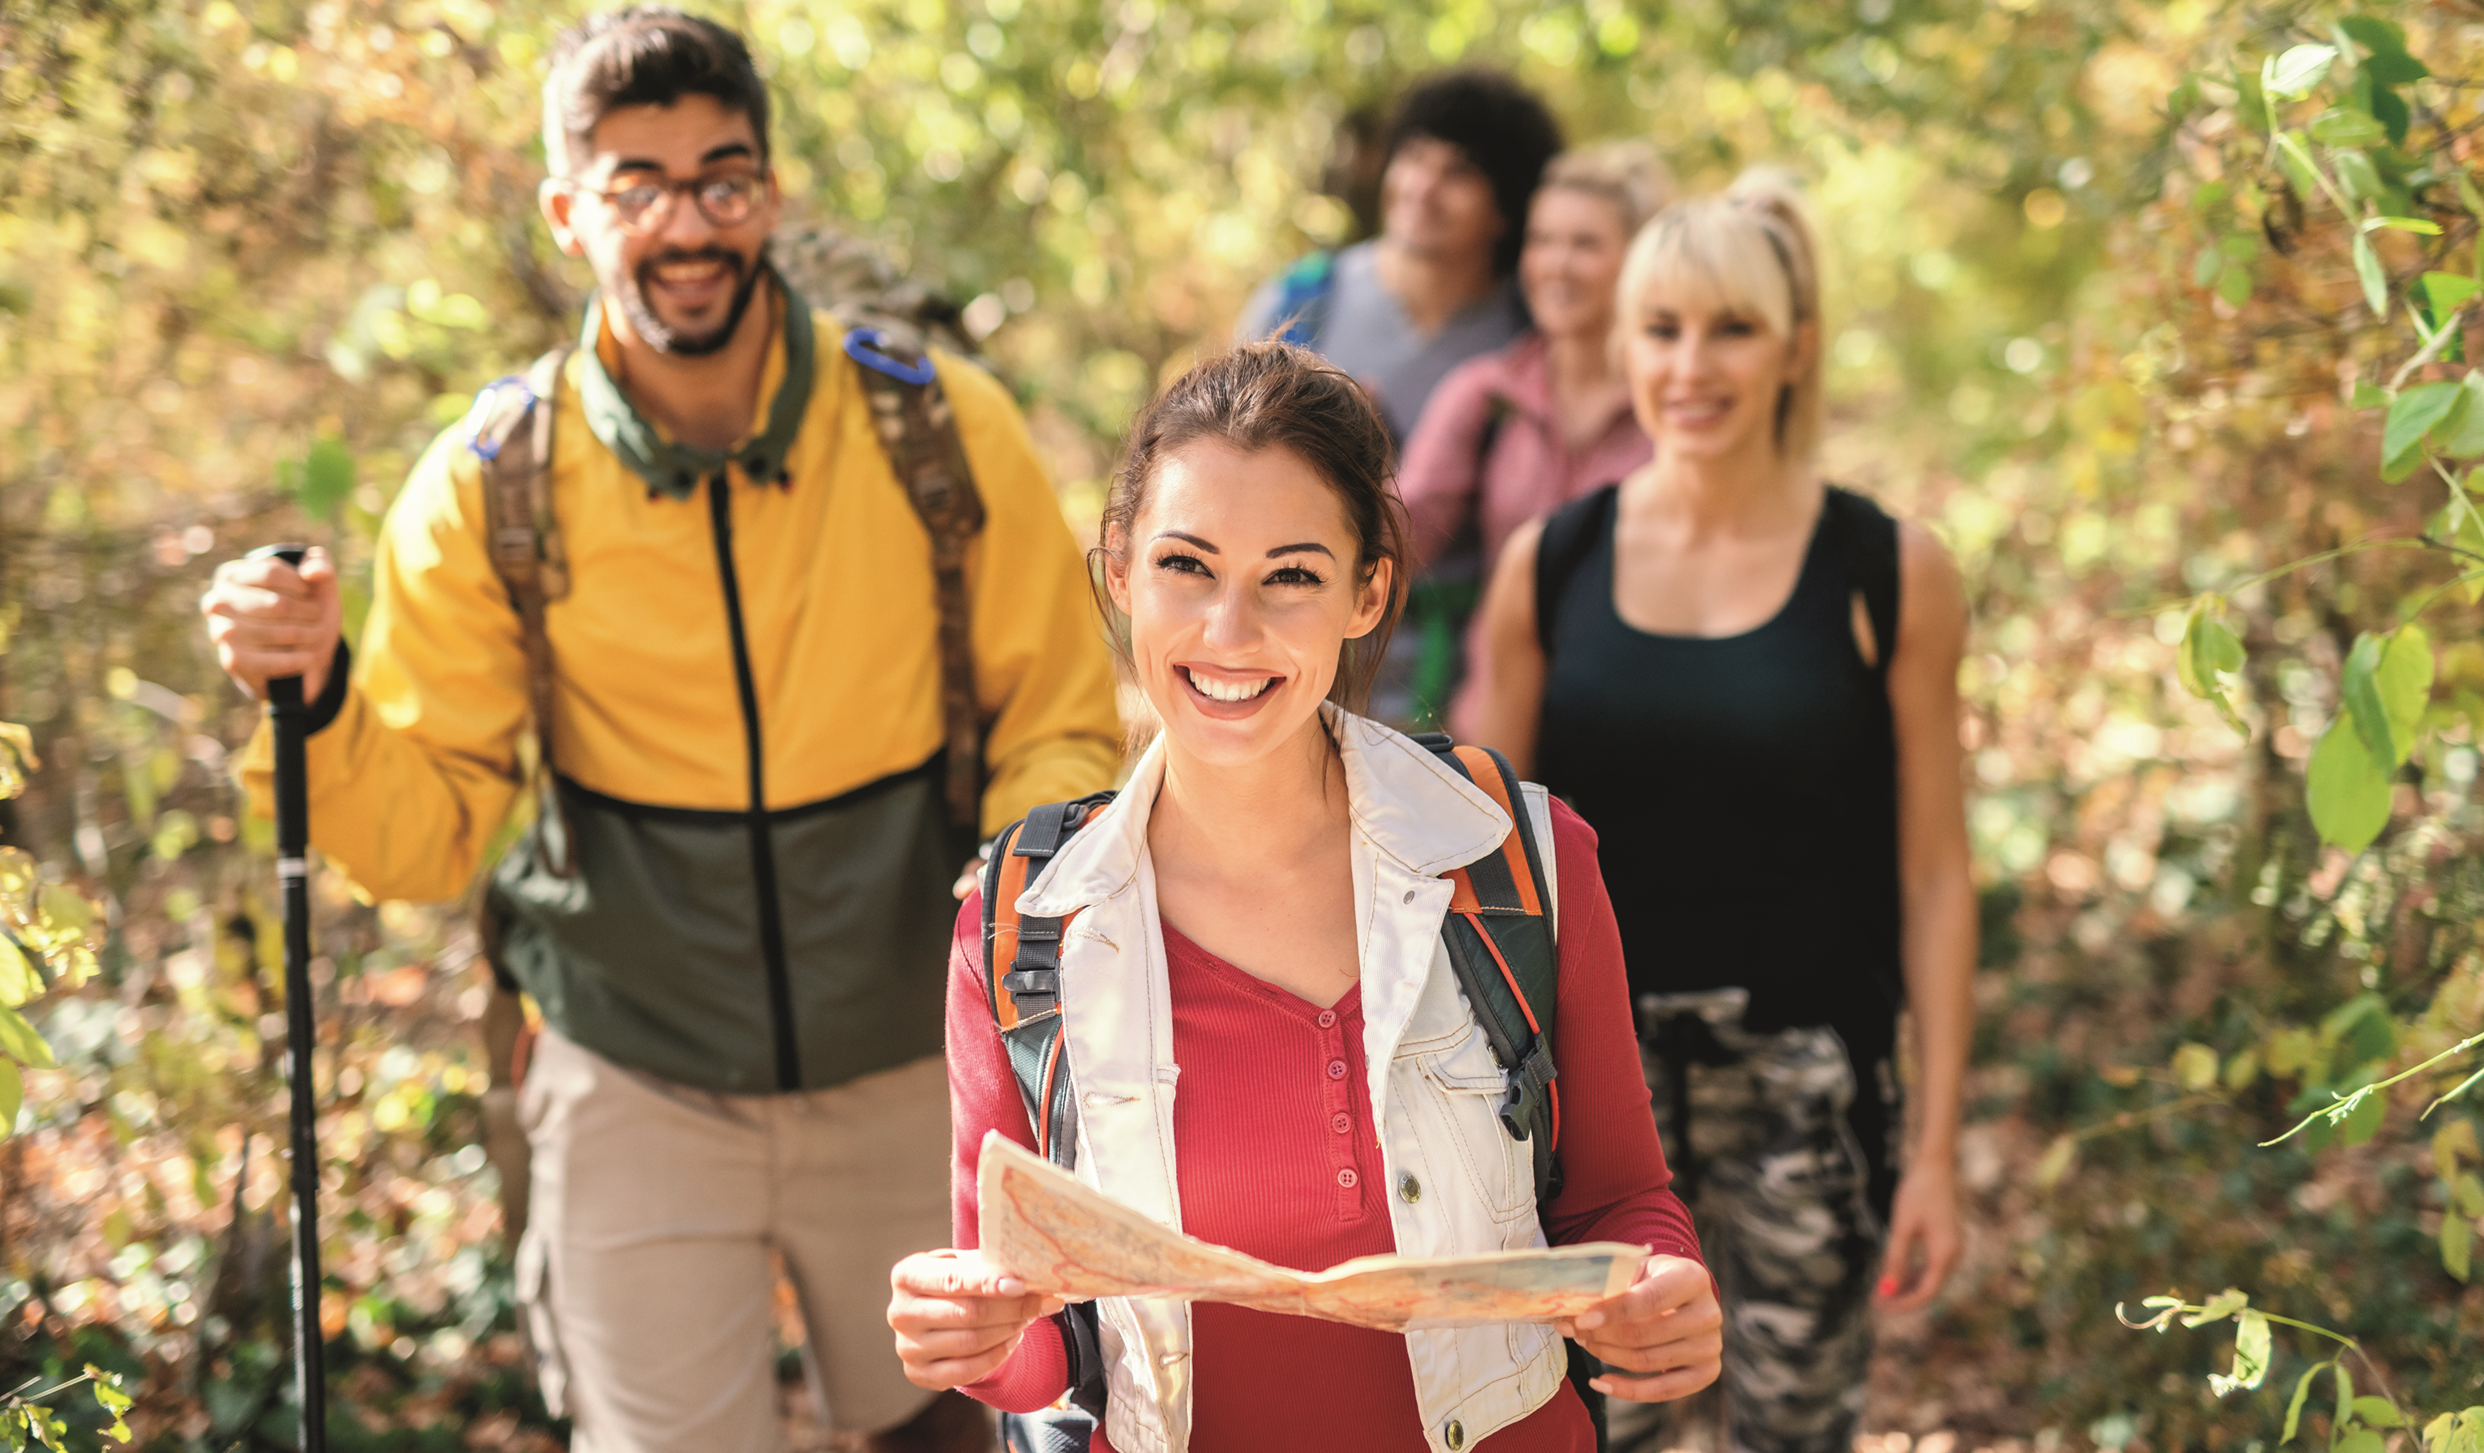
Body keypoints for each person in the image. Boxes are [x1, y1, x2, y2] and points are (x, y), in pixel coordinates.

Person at [199, 10, 1121, 1451]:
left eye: (722, 179)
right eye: (638, 185)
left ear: (771, 192)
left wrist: (1009, 906)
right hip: (632, 1073)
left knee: (958, 1429)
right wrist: (313, 698)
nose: (687, 224)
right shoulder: (493, 485)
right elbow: (422, 827)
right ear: (570, 212)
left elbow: (1059, 724)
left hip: (908, 1056)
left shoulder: (938, 434)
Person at [886, 343, 1722, 1452]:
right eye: (1187, 565)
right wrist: (974, 1335)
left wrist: (1664, 1290)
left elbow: (1624, 1202)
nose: (1229, 633)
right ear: (1121, 569)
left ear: (1367, 591)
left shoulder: (1517, 858)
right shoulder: (1020, 919)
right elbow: (1041, 1345)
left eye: (1290, 575)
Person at [1467, 174, 1975, 1453]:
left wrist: (1935, 1150)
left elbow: (1934, 878)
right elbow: (1477, 871)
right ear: (1623, 341)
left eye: (1733, 329)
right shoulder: (1553, 562)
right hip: (1593, 1103)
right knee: (1610, 1435)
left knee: (1795, 1437)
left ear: (1796, 345)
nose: (1692, 366)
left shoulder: (1888, 573)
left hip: (1815, 1097)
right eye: (1663, 329)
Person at [1238, 71, 1566, 730]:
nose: (1422, 188)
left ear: (1507, 208)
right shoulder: (1301, 304)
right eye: (1413, 158)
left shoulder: (1537, 338)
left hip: (1470, 691)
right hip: (1299, 678)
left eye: (1459, 173)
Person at [1396, 141, 1670, 740]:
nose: (1555, 264)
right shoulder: (1483, 395)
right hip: (1499, 742)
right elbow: (1398, 536)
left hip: (1639, 735)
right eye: (1542, 241)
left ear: (1638, 261)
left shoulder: (1674, 408)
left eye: (1584, 245)